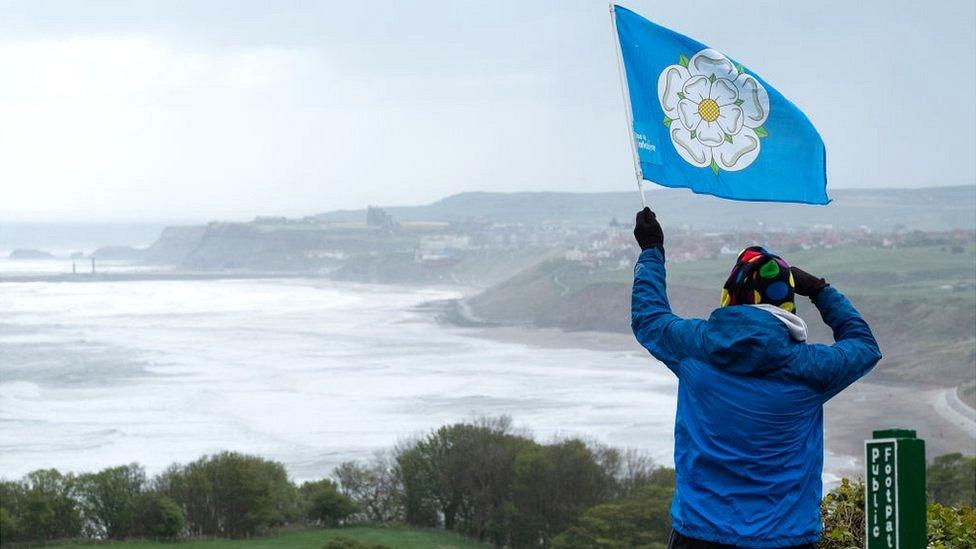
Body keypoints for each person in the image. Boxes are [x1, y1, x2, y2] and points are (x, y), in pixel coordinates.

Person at [631, 207, 882, 548]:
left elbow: (649, 317)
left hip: (700, 533)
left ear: (731, 295)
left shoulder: (695, 347)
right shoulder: (811, 368)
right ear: (786, 305)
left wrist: (651, 251)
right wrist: (821, 291)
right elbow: (864, 346)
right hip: (786, 537)